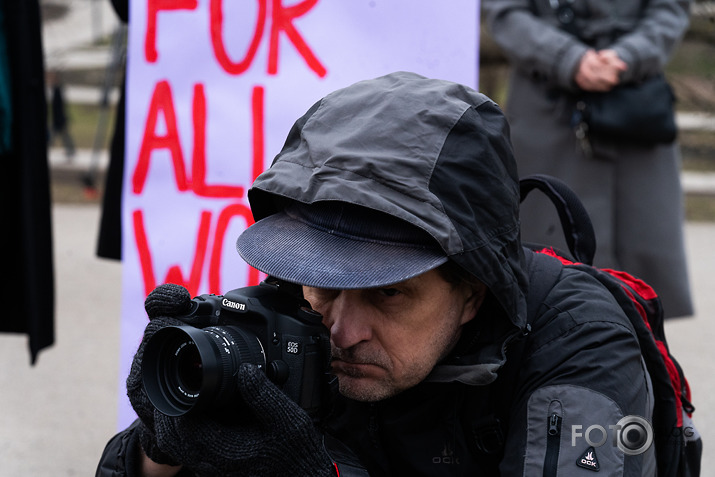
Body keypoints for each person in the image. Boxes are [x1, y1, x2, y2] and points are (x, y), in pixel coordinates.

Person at [96, 72, 654, 476]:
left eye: (388, 293)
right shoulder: (292, 323)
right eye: (326, 283)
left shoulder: (581, 346)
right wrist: (159, 449)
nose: (343, 329)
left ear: (472, 294)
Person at [481, 0, 694, 318]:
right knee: (545, 275)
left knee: (641, 287)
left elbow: (670, 9)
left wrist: (628, 56)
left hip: (634, 115)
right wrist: (567, 58)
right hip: (548, 112)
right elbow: (506, 14)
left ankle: (641, 354)